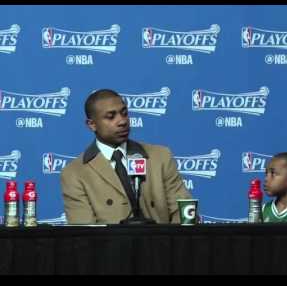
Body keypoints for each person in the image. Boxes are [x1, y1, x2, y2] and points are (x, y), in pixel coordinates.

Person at [61, 89, 191, 224]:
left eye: (124, 113)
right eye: (111, 117)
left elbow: (184, 215)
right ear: (92, 124)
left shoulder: (160, 157)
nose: (122, 121)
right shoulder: (74, 173)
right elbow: (85, 234)